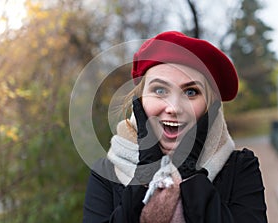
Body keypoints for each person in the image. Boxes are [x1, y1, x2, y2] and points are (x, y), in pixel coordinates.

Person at [83, 31, 267, 223]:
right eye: (160, 90)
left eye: (190, 92)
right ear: (140, 100)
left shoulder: (240, 167)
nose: (174, 108)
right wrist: (146, 172)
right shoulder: (106, 172)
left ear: (209, 107)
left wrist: (189, 172)